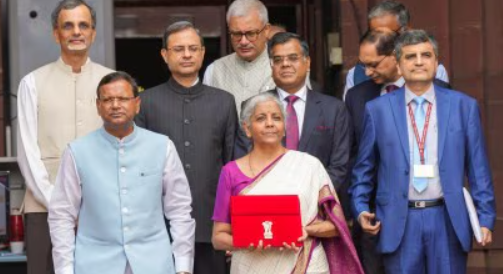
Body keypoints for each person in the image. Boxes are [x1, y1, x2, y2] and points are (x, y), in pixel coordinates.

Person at [350, 30, 495, 274]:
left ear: (436, 62)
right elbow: (363, 169)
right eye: (410, 56)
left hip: (447, 218)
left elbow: (478, 169)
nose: (419, 62)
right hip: (399, 219)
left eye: (426, 55)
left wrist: (485, 218)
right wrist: (361, 207)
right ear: (398, 63)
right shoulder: (377, 110)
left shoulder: (463, 106)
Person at [48, 71, 195, 274]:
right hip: (95, 265)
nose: (115, 105)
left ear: (137, 103)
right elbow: (62, 215)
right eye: (107, 99)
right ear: (98, 106)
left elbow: (179, 210)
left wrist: (183, 266)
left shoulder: (162, 146)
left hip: (153, 263)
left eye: (123, 99)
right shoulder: (77, 151)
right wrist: (65, 270)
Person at [212, 93, 363, 274]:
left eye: (276, 118)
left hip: (306, 264)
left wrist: (305, 230)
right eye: (261, 118)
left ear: (284, 127)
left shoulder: (309, 166)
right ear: (247, 128)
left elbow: (336, 226)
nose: (270, 123)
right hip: (252, 266)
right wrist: (247, 243)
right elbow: (218, 237)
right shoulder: (231, 172)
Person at [16, 1, 113, 273]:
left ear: (93, 33)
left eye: (83, 25)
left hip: (101, 210)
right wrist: (59, 205)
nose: (76, 32)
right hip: (43, 208)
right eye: (67, 25)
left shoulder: (112, 82)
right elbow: (27, 153)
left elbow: (119, 148)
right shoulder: (31, 83)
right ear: (55, 33)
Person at [135, 21, 237, 274]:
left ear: (203, 52)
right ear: (164, 55)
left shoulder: (223, 102)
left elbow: (233, 166)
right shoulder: (146, 102)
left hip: (212, 223)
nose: (187, 54)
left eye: (193, 48)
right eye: (179, 49)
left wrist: (232, 226)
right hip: (159, 225)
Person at [235, 32, 352, 201]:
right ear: (271, 66)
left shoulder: (334, 109)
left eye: (293, 58)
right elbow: (243, 160)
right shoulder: (253, 106)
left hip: (318, 206)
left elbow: (339, 165)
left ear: (307, 62)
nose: (285, 64)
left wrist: (310, 199)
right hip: (266, 204)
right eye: (278, 60)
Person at [343, 0, 449, 100]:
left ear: (405, 31)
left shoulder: (434, 70)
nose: (380, 39)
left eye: (388, 34)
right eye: (374, 34)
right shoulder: (356, 75)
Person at [203, 0, 274, 113]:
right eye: (236, 34)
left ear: (266, 30)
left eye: (251, 33)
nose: (243, 41)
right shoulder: (214, 71)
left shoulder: (282, 66)